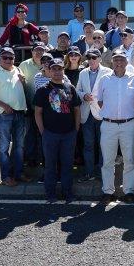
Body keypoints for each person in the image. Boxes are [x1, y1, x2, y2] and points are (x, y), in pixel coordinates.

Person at [95, 49, 134, 204]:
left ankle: (128, 191)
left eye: (122, 60)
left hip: (129, 124)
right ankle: (108, 191)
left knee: (129, 160)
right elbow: (100, 101)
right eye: (116, 60)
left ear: (127, 62)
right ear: (112, 62)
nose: (119, 63)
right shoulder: (104, 79)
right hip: (108, 125)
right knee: (108, 160)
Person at [33, 58, 82, 203]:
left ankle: (68, 193)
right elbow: (38, 112)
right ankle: (50, 194)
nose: (57, 72)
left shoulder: (70, 88)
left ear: (63, 70)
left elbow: (77, 109)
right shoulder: (43, 90)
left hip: (68, 134)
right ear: (49, 71)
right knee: (50, 165)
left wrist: (76, 129)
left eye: (59, 69)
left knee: (67, 165)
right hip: (50, 134)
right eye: (53, 69)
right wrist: (43, 132)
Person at [0, 47, 29, 187]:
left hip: (20, 112)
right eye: (5, 57)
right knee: (4, 147)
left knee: (19, 146)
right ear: (0, 58)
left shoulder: (18, 70)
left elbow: (22, 89)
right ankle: (6, 176)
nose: (8, 60)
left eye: (11, 57)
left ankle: (18, 173)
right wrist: (4, 106)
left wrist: (24, 82)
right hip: (5, 114)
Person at [76, 48, 113, 182]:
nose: (91, 60)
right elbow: (77, 90)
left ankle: (104, 174)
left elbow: (112, 92)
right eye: (89, 57)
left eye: (94, 57)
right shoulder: (83, 73)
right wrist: (83, 95)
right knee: (88, 144)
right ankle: (89, 173)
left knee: (103, 145)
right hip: (87, 113)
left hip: (103, 113)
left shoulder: (108, 72)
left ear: (100, 58)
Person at [18, 42, 47, 167]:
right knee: (30, 134)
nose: (39, 52)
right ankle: (31, 159)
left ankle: (43, 158)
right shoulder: (24, 64)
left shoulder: (48, 63)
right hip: (29, 105)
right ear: (32, 51)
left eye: (41, 50)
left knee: (43, 133)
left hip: (46, 108)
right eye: (36, 50)